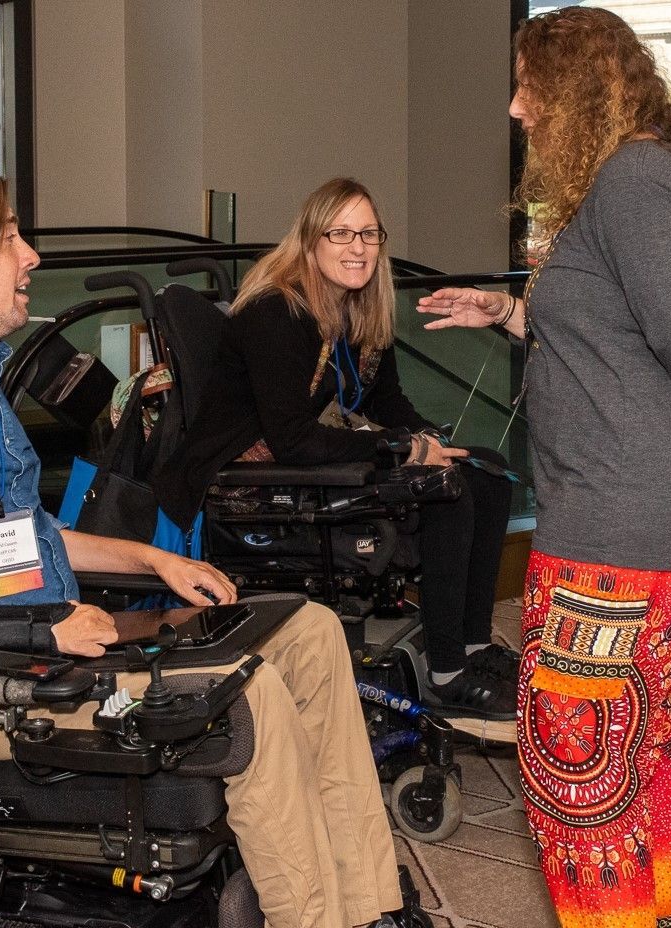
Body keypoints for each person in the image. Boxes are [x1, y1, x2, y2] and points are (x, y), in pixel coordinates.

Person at [0, 169, 442, 928]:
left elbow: (26, 535)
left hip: (64, 649)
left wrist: (150, 558)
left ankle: (367, 916)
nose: (30, 254)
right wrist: (25, 627)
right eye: (8, 236)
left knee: (308, 630)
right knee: (252, 694)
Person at [417, 9, 671, 928]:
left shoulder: (634, 180)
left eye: (531, 83)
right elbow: (615, 329)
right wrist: (507, 310)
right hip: (643, 518)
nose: (517, 105)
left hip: (618, 528)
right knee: (644, 742)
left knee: (575, 767)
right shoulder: (635, 180)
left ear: (575, 88)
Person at [155, 177, 517, 726]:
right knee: (448, 494)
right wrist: (399, 448)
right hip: (251, 477)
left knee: (489, 470)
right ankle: (445, 673)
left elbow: (388, 400)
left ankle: (469, 647)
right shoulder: (276, 311)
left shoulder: (360, 310)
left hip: (311, 453)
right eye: (341, 233)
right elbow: (292, 437)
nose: (357, 248)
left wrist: (432, 441)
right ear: (310, 241)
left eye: (368, 234)